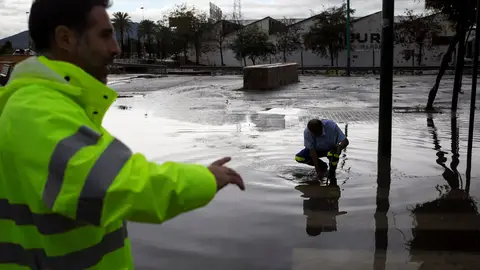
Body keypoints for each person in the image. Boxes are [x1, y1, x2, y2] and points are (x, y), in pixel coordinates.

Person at [0, 0, 244, 269]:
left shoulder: (58, 104)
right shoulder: (36, 110)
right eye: (105, 35)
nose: (116, 48)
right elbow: (116, 185)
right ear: (66, 39)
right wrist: (205, 179)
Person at [295, 119, 349, 183]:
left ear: (322, 127)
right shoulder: (307, 132)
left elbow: (345, 141)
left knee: (333, 157)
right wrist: (318, 171)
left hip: (331, 150)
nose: (315, 134)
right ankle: (322, 166)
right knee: (299, 158)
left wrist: (339, 148)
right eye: (313, 133)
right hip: (317, 150)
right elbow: (312, 152)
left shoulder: (331, 126)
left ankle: (332, 175)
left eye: (317, 132)